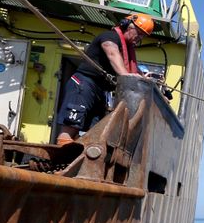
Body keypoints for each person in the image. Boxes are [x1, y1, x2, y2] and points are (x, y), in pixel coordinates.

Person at [55, 13, 154, 145]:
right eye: (139, 33)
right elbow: (112, 53)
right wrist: (127, 76)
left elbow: (129, 68)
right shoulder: (109, 37)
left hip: (100, 91)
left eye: (143, 36)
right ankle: (61, 154)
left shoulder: (126, 50)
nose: (139, 38)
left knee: (94, 129)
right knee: (70, 127)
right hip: (84, 84)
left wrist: (143, 78)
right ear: (128, 27)